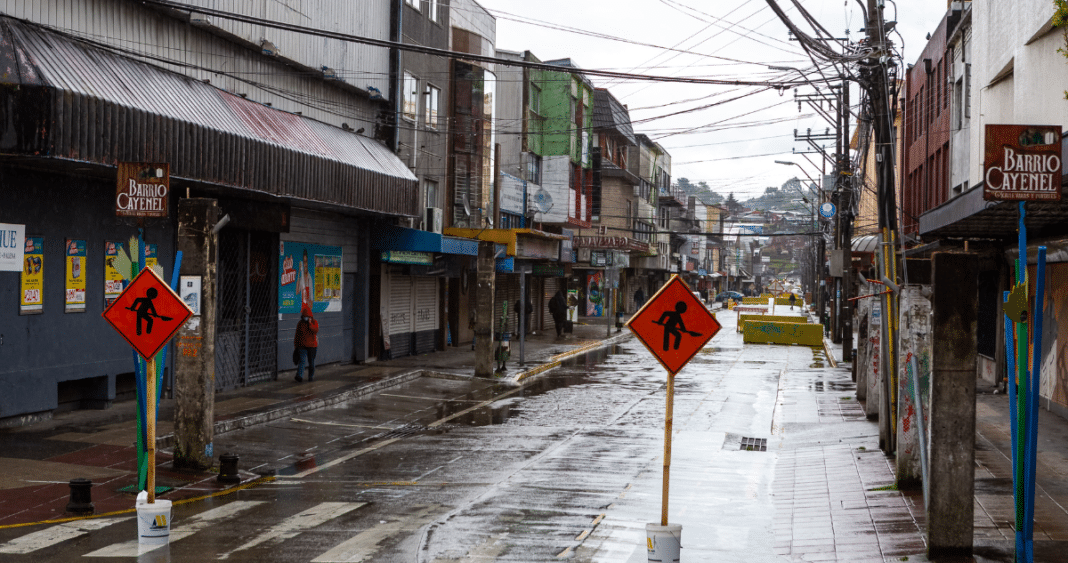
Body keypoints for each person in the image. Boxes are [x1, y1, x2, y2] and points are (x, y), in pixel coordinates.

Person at [294, 303, 319, 383]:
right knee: (302, 361)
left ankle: (310, 376)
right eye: (305, 316)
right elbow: (297, 335)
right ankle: (299, 376)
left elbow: (315, 330)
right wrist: (296, 345)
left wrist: (310, 324)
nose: (306, 318)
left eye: (308, 316)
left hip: (312, 346)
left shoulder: (314, 322)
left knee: (311, 362)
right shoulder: (300, 323)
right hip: (302, 345)